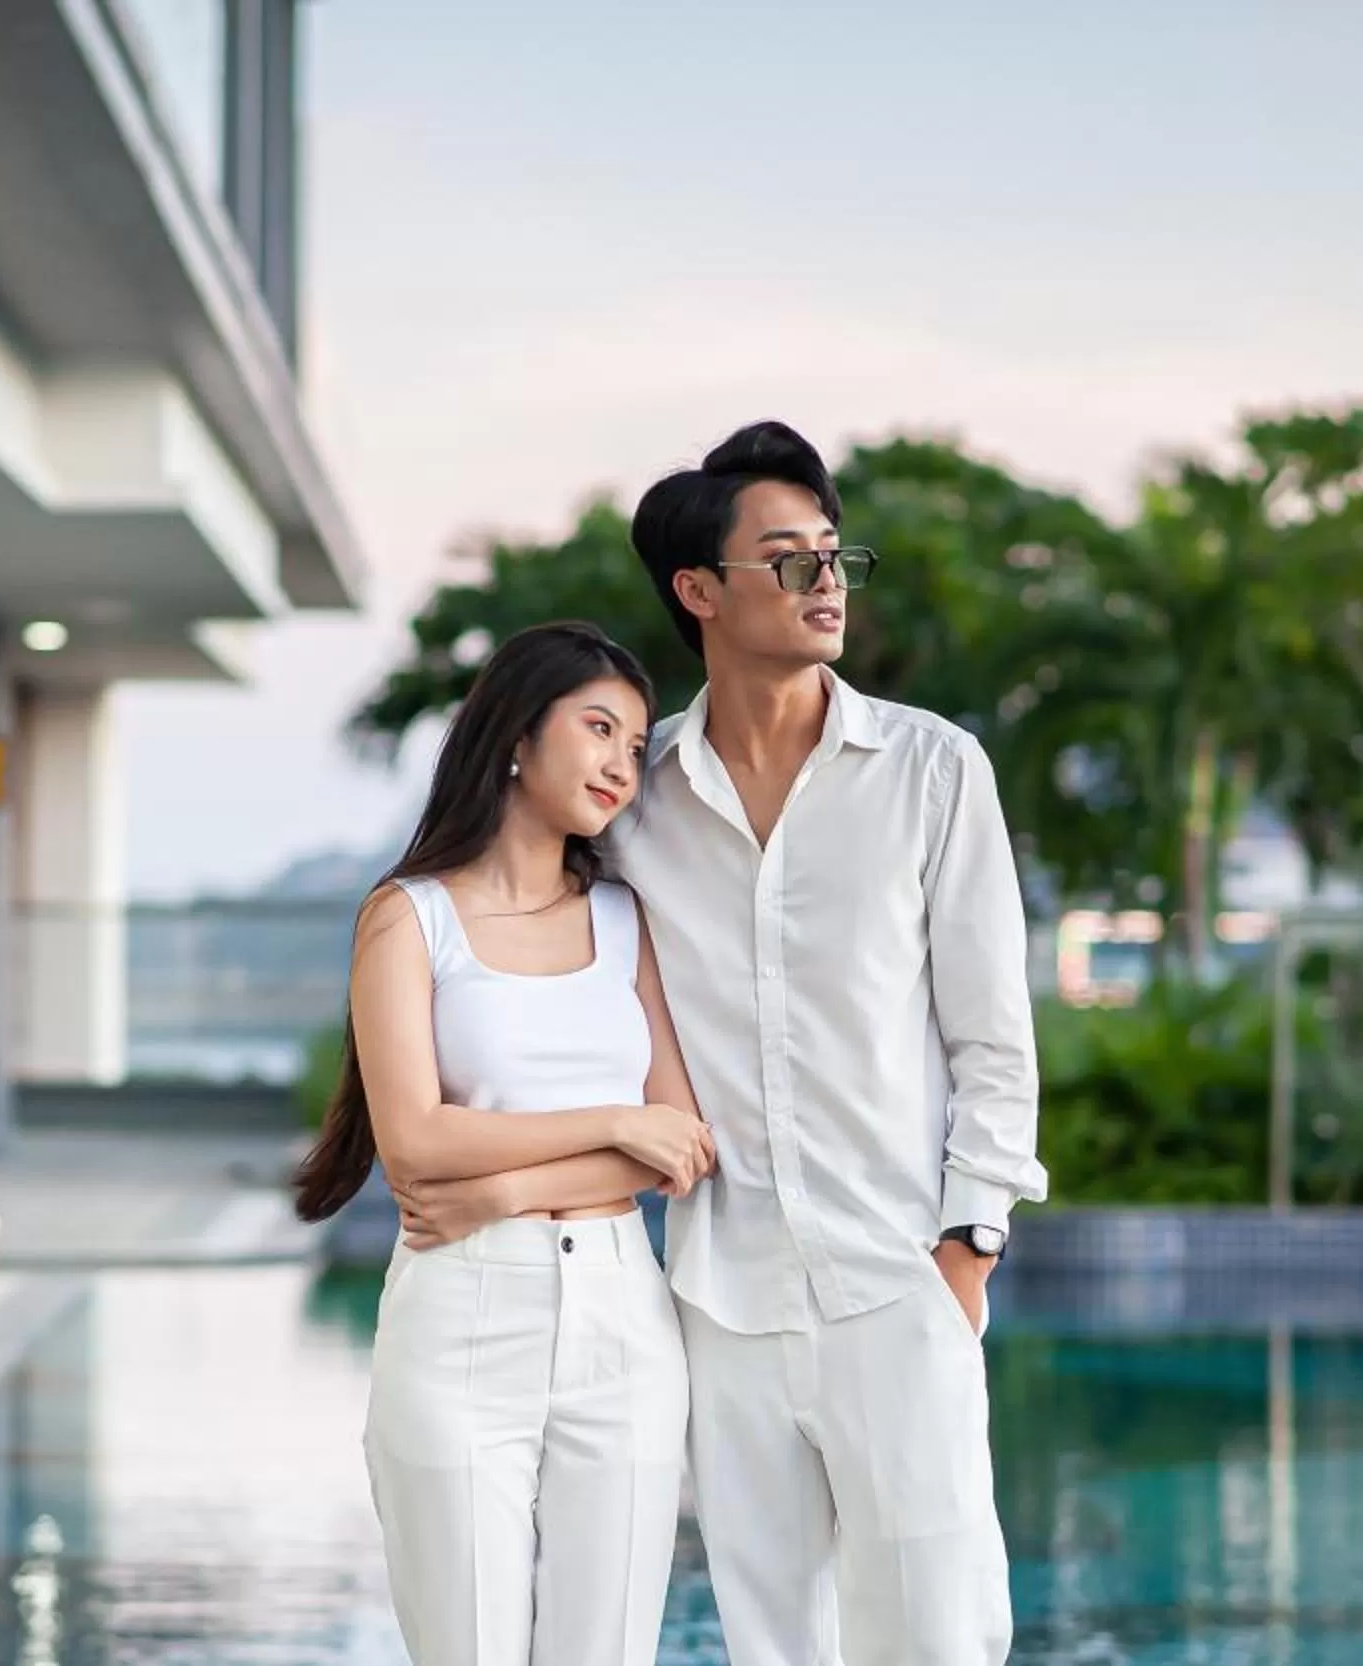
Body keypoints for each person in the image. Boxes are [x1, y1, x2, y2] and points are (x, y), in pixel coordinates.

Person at [614, 420, 1048, 1665]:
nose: (828, 583)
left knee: (939, 1633)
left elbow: (993, 1039)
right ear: (700, 590)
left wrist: (967, 1248)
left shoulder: (931, 769)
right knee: (774, 1642)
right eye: (789, 558)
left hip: (899, 1283)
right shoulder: (636, 797)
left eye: (835, 554)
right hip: (724, 1298)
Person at [290, 620, 718, 1666]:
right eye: (599, 727)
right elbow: (417, 1144)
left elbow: (683, 1145)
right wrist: (611, 1122)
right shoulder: (408, 918)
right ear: (518, 738)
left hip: (622, 1318)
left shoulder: (628, 917)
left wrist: (503, 1187)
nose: (625, 760)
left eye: (637, 739)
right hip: (459, 1321)